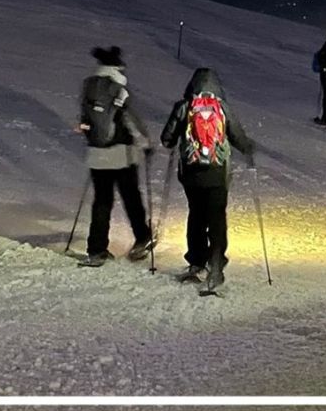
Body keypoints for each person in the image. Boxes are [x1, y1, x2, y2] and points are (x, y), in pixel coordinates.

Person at [161, 68, 255, 291]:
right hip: (218, 173)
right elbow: (238, 137)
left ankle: (196, 261)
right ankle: (216, 263)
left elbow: (167, 139)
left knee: (196, 215)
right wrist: (248, 149)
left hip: (192, 174)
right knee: (216, 218)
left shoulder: (184, 107)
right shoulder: (222, 108)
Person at [78, 46, 153, 266]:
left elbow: (86, 118)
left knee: (102, 200)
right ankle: (143, 237)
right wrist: (145, 141)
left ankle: (96, 249)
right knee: (131, 197)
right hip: (121, 153)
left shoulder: (89, 86)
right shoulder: (117, 87)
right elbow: (129, 117)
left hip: (96, 153)